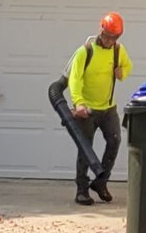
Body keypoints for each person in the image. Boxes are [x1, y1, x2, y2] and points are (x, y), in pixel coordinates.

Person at [48, 13, 133, 206]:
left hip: (108, 108)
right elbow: (74, 79)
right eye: (108, 35)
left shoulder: (118, 51)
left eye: (115, 37)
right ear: (101, 30)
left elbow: (128, 66)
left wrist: (122, 73)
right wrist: (78, 103)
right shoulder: (85, 51)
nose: (110, 40)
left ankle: (100, 183)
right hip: (87, 109)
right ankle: (82, 190)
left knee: (115, 142)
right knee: (86, 148)